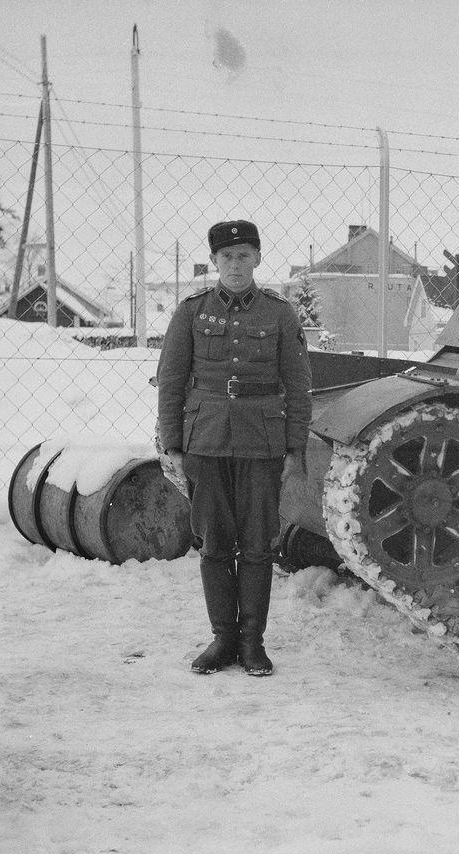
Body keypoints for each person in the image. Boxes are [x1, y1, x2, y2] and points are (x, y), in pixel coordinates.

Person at [156, 220, 312, 677]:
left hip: (262, 443)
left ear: (257, 259)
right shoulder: (192, 312)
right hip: (205, 441)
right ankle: (223, 639)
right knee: (214, 544)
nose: (236, 264)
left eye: (244, 255)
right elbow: (171, 381)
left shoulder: (279, 313)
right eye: (227, 256)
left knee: (259, 545)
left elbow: (299, 386)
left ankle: (252, 643)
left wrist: (295, 448)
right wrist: (173, 444)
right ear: (214, 261)